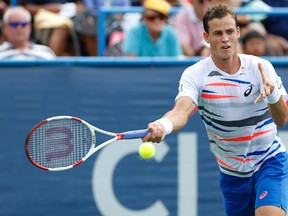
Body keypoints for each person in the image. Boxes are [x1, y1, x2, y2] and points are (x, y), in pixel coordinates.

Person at [143, 4, 288, 216]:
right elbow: (181, 112)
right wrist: (163, 125)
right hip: (232, 174)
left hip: (269, 160)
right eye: (218, 33)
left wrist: (273, 94)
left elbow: (282, 120)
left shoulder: (261, 67)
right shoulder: (196, 75)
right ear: (206, 37)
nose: (225, 38)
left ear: (238, 32)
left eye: (230, 31)